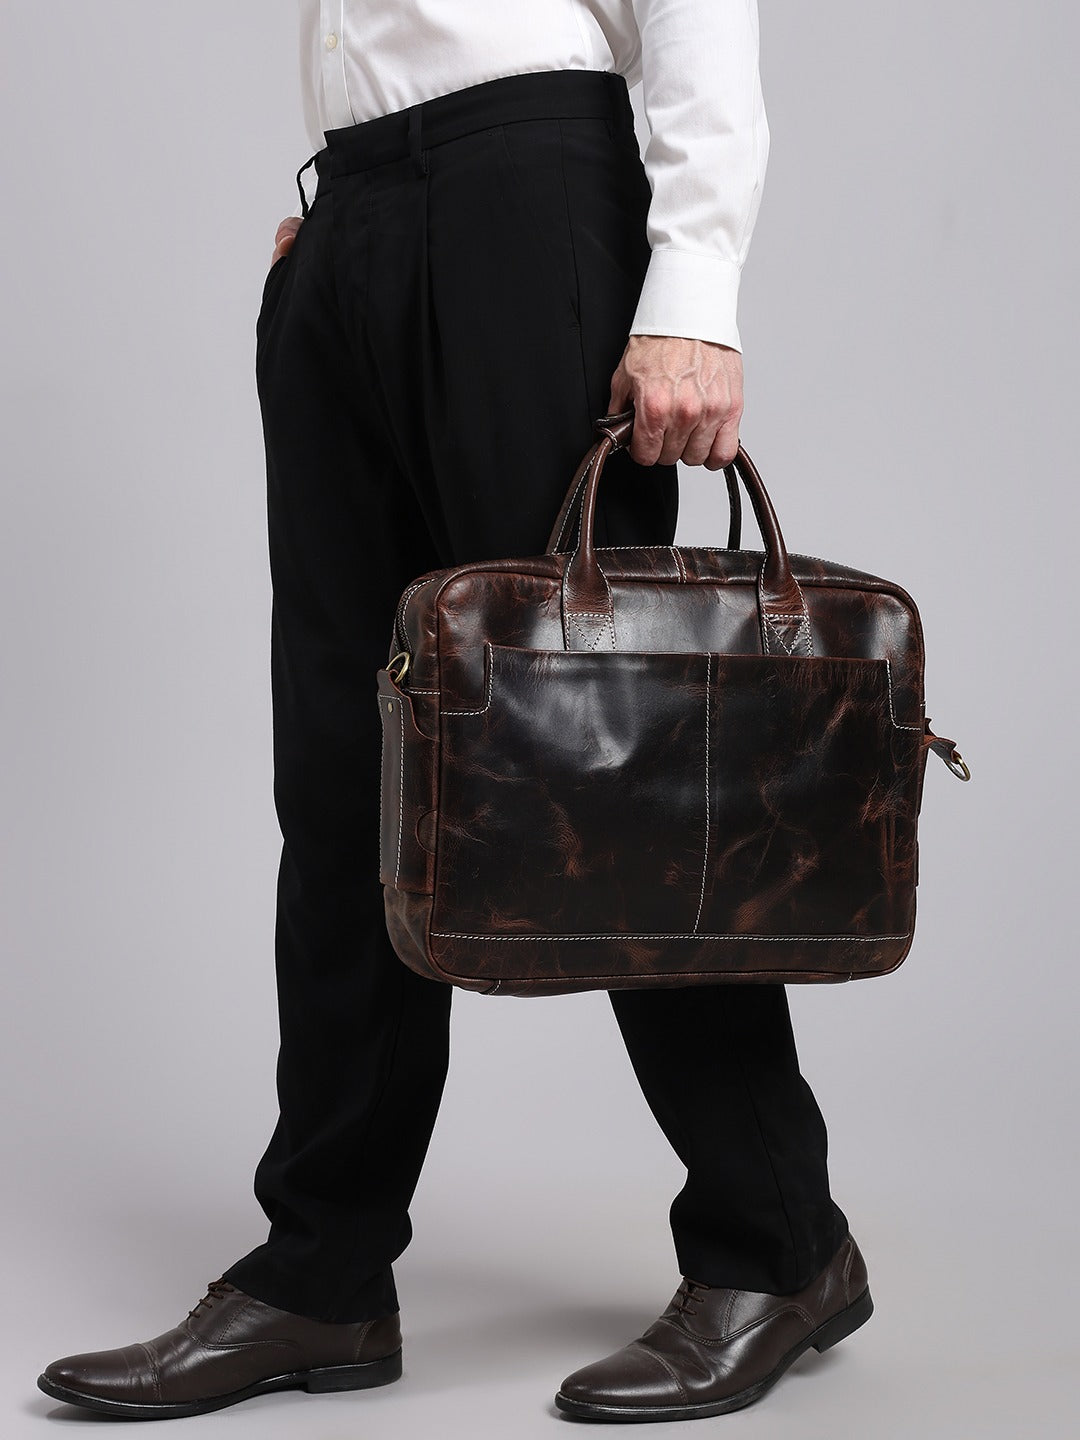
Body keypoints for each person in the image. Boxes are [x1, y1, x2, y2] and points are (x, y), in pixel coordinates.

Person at [38, 1, 872, 1424]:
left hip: (521, 201)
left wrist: (694, 287)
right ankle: (324, 1270)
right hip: (355, 211)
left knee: (615, 768)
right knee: (348, 780)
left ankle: (779, 1242)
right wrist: (355, 232)